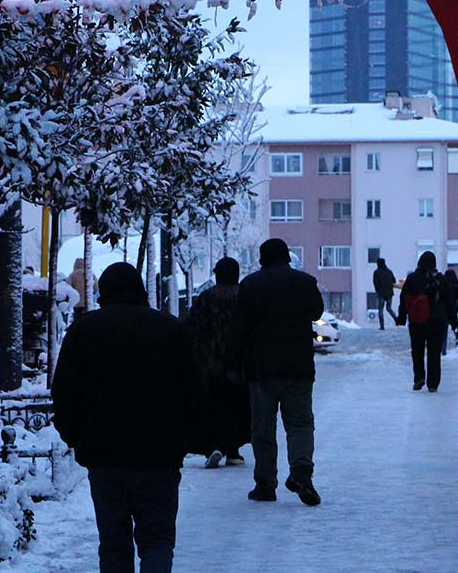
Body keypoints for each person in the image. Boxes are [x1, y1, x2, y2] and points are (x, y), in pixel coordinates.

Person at [52, 262, 200, 573]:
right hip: (160, 456)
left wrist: (76, 438)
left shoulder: (83, 331)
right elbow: (195, 390)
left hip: (104, 456)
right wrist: (185, 439)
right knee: (157, 540)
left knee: (113, 543)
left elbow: (64, 392)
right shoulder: (170, 330)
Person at [232, 238, 324, 506]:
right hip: (298, 367)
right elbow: (316, 311)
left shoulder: (250, 285)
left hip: (261, 369)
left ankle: (265, 484)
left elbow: (239, 327)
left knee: (263, 427)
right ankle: (301, 472)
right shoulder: (304, 282)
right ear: (287, 257)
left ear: (262, 259)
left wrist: (234, 362)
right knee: (300, 424)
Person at [184, 257, 249, 469]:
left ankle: (213, 445)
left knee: (213, 406)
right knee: (237, 408)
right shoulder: (244, 298)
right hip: (238, 366)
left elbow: (192, 330)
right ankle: (233, 449)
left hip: (210, 366)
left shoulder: (206, 298)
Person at [397, 252, 455, 392]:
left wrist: (402, 317)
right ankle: (433, 383)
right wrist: (454, 322)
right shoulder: (440, 279)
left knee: (417, 350)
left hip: (417, 320)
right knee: (434, 352)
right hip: (437, 320)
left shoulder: (412, 278)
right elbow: (449, 302)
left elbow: (404, 298)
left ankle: (419, 377)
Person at [441, 265, 458, 355]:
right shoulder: (457, 287)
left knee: (444, 333)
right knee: (457, 331)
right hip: (455, 312)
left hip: (445, 312)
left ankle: (443, 350)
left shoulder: (444, 287)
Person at [372, 258, 398, 330]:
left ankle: (382, 326)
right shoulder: (389, 271)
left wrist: (378, 291)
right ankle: (396, 319)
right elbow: (394, 280)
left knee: (381, 309)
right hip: (390, 293)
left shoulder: (376, 272)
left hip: (381, 294)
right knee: (389, 308)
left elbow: (376, 283)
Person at [69, 257, 96, 322]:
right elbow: (96, 288)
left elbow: (68, 289)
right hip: (88, 303)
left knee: (78, 322)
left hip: (77, 304)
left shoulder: (72, 275)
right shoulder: (90, 274)